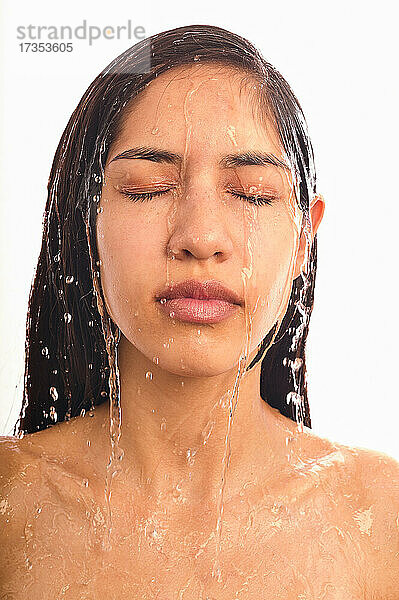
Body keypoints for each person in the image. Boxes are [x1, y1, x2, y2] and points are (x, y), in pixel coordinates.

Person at [1, 24, 398, 599]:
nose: (201, 237)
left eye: (253, 193)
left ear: (301, 243)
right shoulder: (12, 509)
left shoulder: (381, 522)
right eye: (147, 187)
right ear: (88, 228)